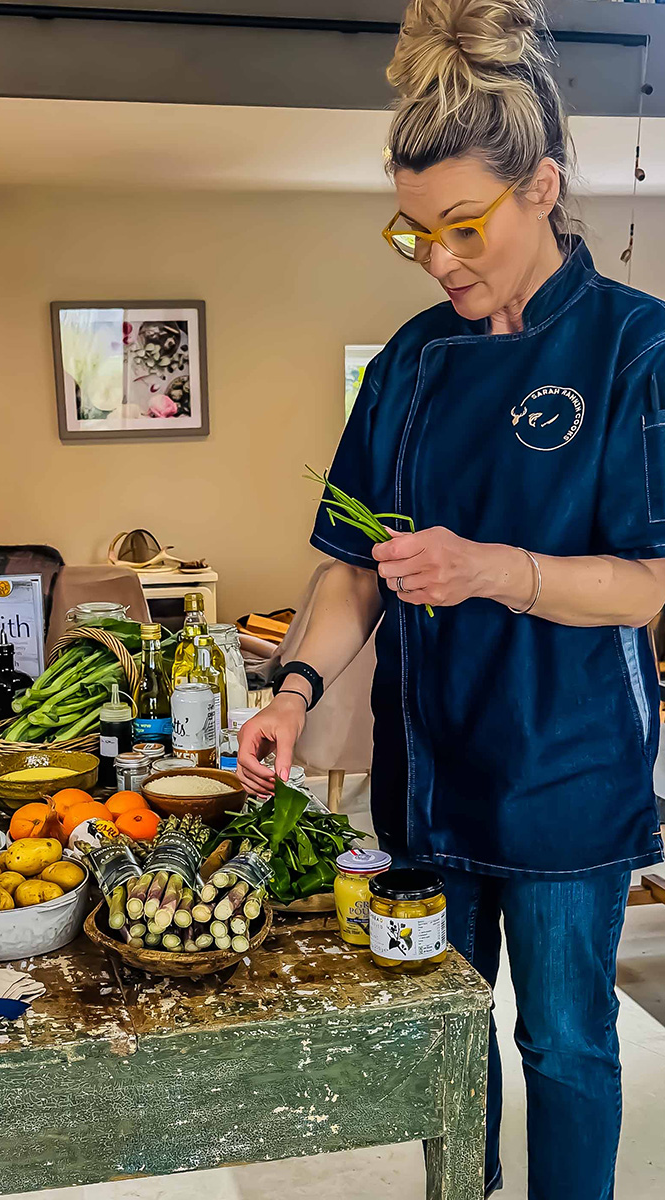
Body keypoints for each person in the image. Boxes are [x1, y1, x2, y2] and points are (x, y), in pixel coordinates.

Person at [237, 2, 665, 1197]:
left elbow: (647, 587)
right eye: (412, 232)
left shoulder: (638, 350)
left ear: (541, 187)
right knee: (439, 1038)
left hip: (569, 777)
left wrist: (495, 570)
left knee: (567, 1043)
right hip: (429, 772)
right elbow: (348, 565)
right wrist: (297, 686)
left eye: (461, 225)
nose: (438, 259)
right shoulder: (411, 363)